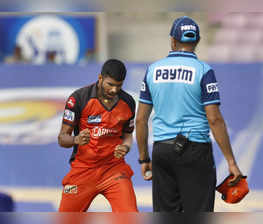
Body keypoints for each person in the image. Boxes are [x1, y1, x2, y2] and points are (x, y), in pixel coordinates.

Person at [135, 16, 243, 212]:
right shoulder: (203, 70)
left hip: (162, 151)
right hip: (195, 151)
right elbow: (214, 119)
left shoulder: (153, 70)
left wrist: (144, 158)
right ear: (198, 41)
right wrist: (231, 162)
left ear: (172, 40)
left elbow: (141, 120)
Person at [58, 59, 138, 212]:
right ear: (100, 78)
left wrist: (125, 147)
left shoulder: (128, 102)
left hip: (114, 169)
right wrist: (76, 139)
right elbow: (62, 138)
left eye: (119, 85)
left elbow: (128, 135)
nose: (114, 90)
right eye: (110, 84)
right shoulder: (78, 99)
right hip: (82, 170)